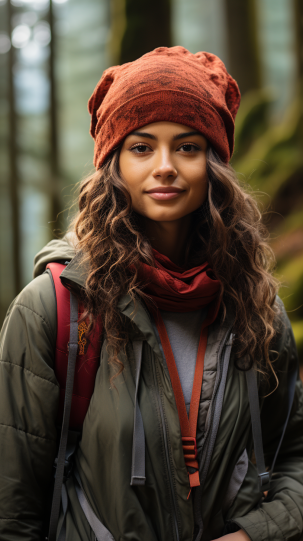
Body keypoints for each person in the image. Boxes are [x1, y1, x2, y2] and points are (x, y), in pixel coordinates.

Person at [0, 46, 302, 541]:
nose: (165, 166)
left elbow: (293, 454)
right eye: (141, 147)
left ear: (215, 164)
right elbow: (13, 511)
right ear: (112, 164)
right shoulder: (53, 310)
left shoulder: (254, 307)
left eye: (187, 146)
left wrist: (256, 533)